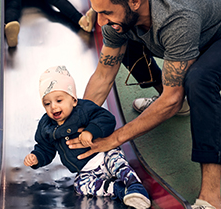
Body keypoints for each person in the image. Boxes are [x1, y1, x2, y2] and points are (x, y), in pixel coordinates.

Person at [66, 0, 221, 209]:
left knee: (200, 79)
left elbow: (170, 101)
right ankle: (178, 100)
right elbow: (104, 75)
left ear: (135, 1)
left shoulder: (176, 18)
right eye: (98, 12)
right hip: (197, 35)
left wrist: (113, 139)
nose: (102, 21)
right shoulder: (118, 17)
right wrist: (75, 125)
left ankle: (211, 199)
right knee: (123, 42)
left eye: (106, 12)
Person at [24, 65, 151, 209]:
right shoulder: (46, 125)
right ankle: (118, 189)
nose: (53, 107)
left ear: (73, 100)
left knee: (117, 163)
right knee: (80, 186)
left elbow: (106, 118)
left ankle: (135, 186)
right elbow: (44, 148)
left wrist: (90, 131)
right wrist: (36, 157)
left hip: (104, 154)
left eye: (59, 101)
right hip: (86, 170)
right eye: (47, 103)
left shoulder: (83, 110)